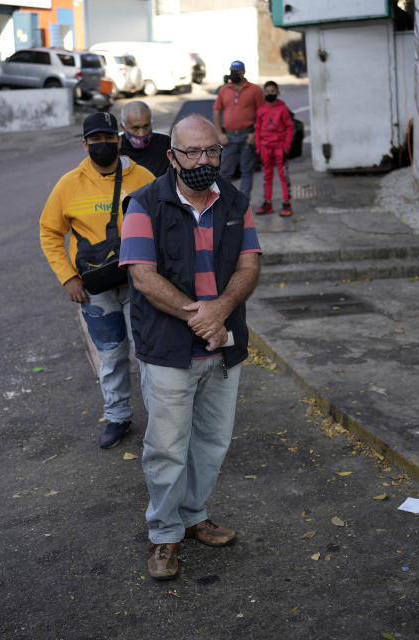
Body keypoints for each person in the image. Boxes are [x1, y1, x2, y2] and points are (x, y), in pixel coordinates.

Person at [119, 114, 262, 580]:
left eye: (212, 151)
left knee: (212, 443)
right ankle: (164, 535)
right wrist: (201, 317)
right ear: (172, 157)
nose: (204, 160)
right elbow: (142, 276)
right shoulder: (143, 204)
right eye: (193, 152)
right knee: (166, 447)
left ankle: (194, 514)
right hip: (169, 351)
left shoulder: (236, 202)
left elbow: (248, 266)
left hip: (222, 348)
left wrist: (219, 312)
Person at [39, 112, 155, 448]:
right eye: (95, 139)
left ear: (119, 140)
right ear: (85, 143)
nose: (102, 144)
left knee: (149, 354)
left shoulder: (143, 177)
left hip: (141, 284)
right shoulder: (69, 184)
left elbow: (164, 222)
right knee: (112, 354)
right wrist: (67, 278)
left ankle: (161, 420)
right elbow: (49, 232)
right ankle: (118, 416)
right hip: (95, 291)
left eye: (108, 137)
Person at [213, 60, 265, 200]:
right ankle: (227, 202)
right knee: (225, 172)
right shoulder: (224, 90)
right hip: (229, 137)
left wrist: (255, 133)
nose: (234, 74)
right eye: (232, 70)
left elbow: (262, 114)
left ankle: (243, 204)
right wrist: (220, 133)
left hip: (247, 136)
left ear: (243, 72)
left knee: (246, 171)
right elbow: (217, 111)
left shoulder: (255, 90)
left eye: (237, 71)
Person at [254, 81, 295, 217]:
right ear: (264, 93)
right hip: (265, 149)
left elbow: (290, 127)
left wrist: (286, 147)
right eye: (267, 91)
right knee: (267, 176)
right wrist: (258, 149)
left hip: (279, 149)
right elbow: (258, 129)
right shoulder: (261, 110)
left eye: (273, 91)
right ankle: (267, 203)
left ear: (278, 93)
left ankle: (286, 203)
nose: (270, 94)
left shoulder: (283, 109)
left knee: (284, 176)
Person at [119, 101, 172, 178]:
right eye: (135, 128)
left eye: (146, 126)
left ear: (151, 123)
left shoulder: (166, 143)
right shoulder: (114, 146)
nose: (141, 133)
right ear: (123, 127)